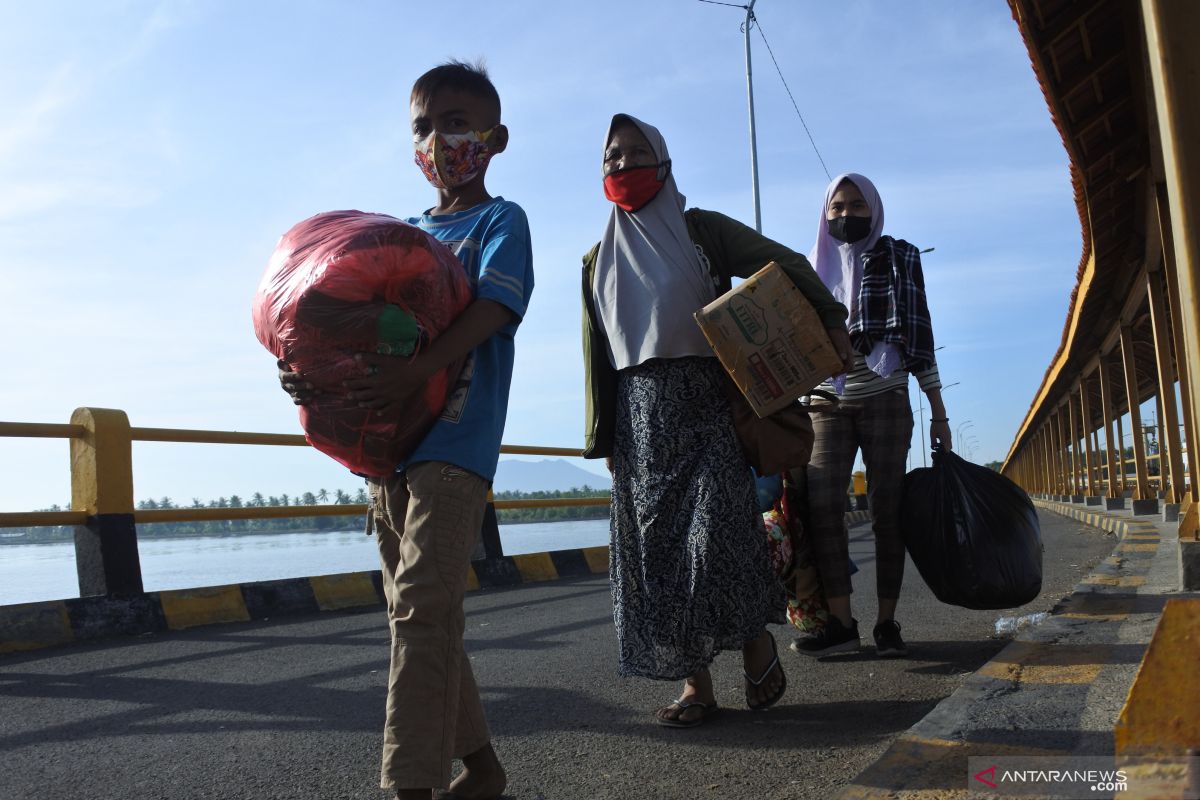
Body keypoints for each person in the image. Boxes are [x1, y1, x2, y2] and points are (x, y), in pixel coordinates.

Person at [281, 61, 532, 800]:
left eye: (456, 122)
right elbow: (355, 329)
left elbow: (492, 309)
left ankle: (409, 788)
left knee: (422, 610)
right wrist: (313, 374)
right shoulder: (401, 235)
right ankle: (483, 770)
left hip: (457, 443)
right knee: (419, 616)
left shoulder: (500, 221)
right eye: (424, 126)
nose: (439, 139)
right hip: (387, 454)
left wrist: (417, 364)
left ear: (495, 137)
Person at [581, 113, 853, 728]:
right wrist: (605, 439)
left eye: (634, 152)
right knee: (658, 556)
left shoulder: (702, 230)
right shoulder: (595, 261)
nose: (621, 164)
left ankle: (755, 640)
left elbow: (783, 263)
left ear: (664, 159)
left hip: (708, 403)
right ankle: (696, 688)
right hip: (640, 419)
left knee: (718, 537)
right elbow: (598, 359)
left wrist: (829, 318)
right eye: (611, 157)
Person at [793, 172, 951, 660]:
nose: (845, 215)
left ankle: (886, 622)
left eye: (856, 205)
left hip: (885, 395)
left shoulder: (900, 257)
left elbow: (919, 335)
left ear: (875, 209)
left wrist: (939, 412)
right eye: (837, 207)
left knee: (888, 511)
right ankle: (842, 623)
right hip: (825, 402)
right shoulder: (807, 270)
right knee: (821, 508)